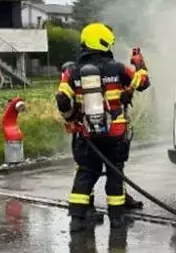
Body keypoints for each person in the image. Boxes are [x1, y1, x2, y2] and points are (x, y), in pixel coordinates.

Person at [55, 23, 150, 232]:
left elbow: (62, 99)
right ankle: (116, 219)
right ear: (104, 42)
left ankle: (76, 220)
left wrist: (70, 117)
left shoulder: (72, 71)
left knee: (85, 174)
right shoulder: (117, 68)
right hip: (115, 134)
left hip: (86, 135)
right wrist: (140, 64)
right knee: (115, 174)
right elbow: (143, 82)